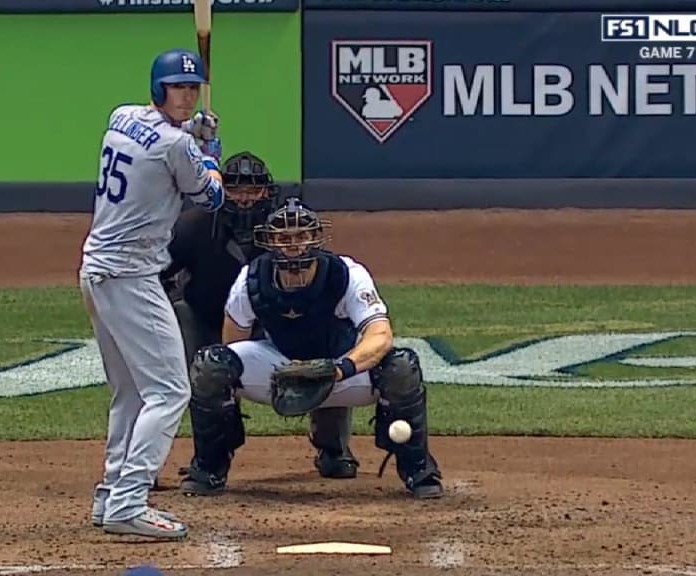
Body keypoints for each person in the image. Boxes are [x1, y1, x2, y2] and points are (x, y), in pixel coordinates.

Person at [177, 198, 444, 499]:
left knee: (401, 367)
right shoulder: (251, 279)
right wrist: (230, 403)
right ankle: (209, 467)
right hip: (279, 366)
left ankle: (418, 470)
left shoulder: (347, 274)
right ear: (270, 241)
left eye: (301, 236)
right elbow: (233, 345)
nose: (294, 245)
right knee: (212, 364)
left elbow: (379, 336)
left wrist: (339, 369)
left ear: (316, 238)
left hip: (339, 369)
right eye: (284, 238)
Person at [80, 47, 224, 541]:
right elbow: (209, 196)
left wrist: (191, 138)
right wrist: (209, 152)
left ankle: (111, 493)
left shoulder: (121, 117)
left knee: (130, 393)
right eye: (178, 87)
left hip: (96, 271)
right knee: (168, 390)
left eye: (191, 88)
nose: (186, 95)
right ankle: (129, 502)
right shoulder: (175, 146)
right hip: (131, 276)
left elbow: (160, 142)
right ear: (158, 88)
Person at [160, 152, 361, 483]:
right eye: (236, 190)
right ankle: (211, 454)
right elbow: (157, 272)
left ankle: (334, 447)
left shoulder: (285, 231)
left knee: (325, 351)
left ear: (267, 193)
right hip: (206, 319)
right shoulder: (194, 226)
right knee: (192, 345)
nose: (244, 199)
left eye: (252, 191)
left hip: (275, 326)